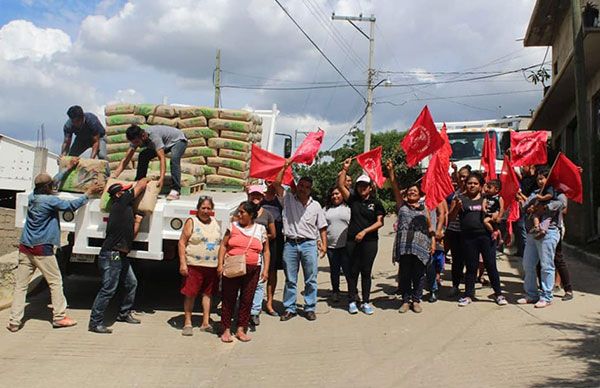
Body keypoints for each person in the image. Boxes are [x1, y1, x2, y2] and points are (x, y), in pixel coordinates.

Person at [7, 158, 103, 332]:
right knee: (55, 282)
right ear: (47, 187)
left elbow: (54, 181)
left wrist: (67, 169)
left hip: (25, 247)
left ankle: (14, 321)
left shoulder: (33, 197)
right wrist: (88, 193)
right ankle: (59, 317)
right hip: (42, 249)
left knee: (21, 286)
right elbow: (71, 206)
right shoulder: (49, 201)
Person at [88, 179, 148, 334]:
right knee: (108, 289)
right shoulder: (121, 204)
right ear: (120, 194)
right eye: (125, 190)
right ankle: (95, 323)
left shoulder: (124, 208)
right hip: (111, 255)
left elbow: (129, 237)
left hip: (119, 254)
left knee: (131, 283)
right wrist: (147, 178)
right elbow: (142, 184)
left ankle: (124, 313)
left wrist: (138, 222)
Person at [272, 160, 327, 322]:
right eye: (301, 185)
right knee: (290, 279)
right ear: (298, 186)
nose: (303, 189)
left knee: (311, 278)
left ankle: (309, 308)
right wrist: (285, 166)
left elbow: (322, 227)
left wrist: (323, 244)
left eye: (306, 187)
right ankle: (290, 308)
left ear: (311, 189)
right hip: (290, 244)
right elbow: (276, 184)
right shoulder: (288, 200)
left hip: (309, 244)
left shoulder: (316, 206)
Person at [449, 172, 507, 307]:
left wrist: (496, 224)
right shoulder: (460, 199)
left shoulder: (488, 199)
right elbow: (450, 218)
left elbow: (499, 214)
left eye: (475, 183)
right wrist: (456, 208)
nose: (472, 185)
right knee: (471, 267)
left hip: (486, 237)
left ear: (481, 185)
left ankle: (498, 294)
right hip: (468, 238)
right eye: (469, 183)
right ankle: (468, 294)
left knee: (491, 265)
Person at [217, 201, 270, 342]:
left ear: (251, 215)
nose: (239, 215)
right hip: (233, 268)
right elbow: (223, 246)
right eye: (238, 212)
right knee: (228, 298)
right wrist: (220, 265)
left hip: (253, 269)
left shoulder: (260, 229)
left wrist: (265, 270)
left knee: (247, 300)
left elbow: (266, 251)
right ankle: (226, 329)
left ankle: (241, 329)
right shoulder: (232, 226)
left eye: (242, 212)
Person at [338, 159, 385, 315]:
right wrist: (344, 169)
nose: (362, 188)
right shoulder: (353, 200)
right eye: (359, 186)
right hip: (352, 241)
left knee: (366, 271)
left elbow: (380, 223)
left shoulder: (376, 203)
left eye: (365, 185)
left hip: (370, 242)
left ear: (370, 187)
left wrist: (364, 231)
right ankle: (352, 300)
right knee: (352, 271)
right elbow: (340, 186)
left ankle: (365, 301)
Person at [387, 160, 434, 314]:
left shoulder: (425, 208)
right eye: (409, 191)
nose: (412, 193)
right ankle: (406, 301)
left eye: (415, 191)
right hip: (404, 245)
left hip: (421, 245)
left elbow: (429, 228)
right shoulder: (402, 205)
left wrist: (432, 243)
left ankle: (416, 300)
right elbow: (394, 187)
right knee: (405, 274)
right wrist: (391, 171)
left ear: (420, 194)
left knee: (419, 274)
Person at [517, 167, 563, 308]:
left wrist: (543, 205)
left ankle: (546, 296)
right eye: (538, 179)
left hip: (548, 233)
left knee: (546, 265)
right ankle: (531, 294)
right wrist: (528, 206)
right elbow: (524, 206)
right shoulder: (535, 193)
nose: (540, 181)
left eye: (542, 178)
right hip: (532, 232)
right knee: (528, 264)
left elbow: (560, 204)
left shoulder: (557, 193)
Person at [178, 197, 221, 336]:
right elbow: (182, 243)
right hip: (194, 265)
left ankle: (205, 322)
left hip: (211, 266)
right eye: (203, 208)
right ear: (198, 208)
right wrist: (183, 263)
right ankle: (188, 322)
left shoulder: (215, 222)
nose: (206, 211)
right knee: (190, 294)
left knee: (208, 294)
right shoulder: (192, 221)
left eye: (209, 208)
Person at [112, 125, 188, 200]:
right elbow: (126, 159)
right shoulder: (136, 139)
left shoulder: (154, 137)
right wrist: (114, 175)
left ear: (143, 136)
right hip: (165, 143)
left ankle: (175, 189)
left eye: (137, 142)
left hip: (178, 140)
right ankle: (139, 182)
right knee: (143, 155)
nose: (136, 145)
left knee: (174, 158)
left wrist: (161, 179)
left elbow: (161, 158)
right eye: (134, 143)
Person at [248, 185, 276, 326]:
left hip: (259, 251)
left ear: (262, 197)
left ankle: (254, 312)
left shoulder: (267, 214)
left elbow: (273, 234)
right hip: (243, 252)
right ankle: (243, 309)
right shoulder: (242, 210)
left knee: (258, 284)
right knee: (243, 282)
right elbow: (234, 226)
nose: (256, 198)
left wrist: (260, 235)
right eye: (253, 195)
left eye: (258, 195)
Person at [260, 181, 285, 316]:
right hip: (258, 238)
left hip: (276, 240)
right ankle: (255, 302)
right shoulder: (259, 199)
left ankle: (269, 302)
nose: (271, 183)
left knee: (272, 271)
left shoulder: (280, 200)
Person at [446, 165, 471, 296]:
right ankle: (455, 285)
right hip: (455, 231)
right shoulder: (456, 194)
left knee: (471, 261)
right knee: (457, 260)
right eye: (460, 176)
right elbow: (449, 216)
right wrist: (456, 208)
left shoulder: (477, 194)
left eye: (465, 176)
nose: (462, 179)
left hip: (471, 232)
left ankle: (469, 288)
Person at [324, 186, 351, 303]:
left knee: (349, 270)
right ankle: (335, 291)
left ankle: (352, 292)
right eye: (333, 194)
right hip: (331, 246)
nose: (335, 196)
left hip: (347, 245)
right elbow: (320, 227)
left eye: (337, 194)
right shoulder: (325, 210)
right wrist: (320, 242)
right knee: (334, 270)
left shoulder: (349, 208)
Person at [482, 179, 504, 243]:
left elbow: (502, 208)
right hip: (488, 213)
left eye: (489, 187)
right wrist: (484, 209)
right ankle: (499, 238)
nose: (487, 189)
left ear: (496, 189)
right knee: (496, 227)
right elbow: (484, 203)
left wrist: (499, 217)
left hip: (495, 214)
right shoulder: (487, 196)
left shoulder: (499, 198)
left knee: (485, 221)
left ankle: (494, 233)